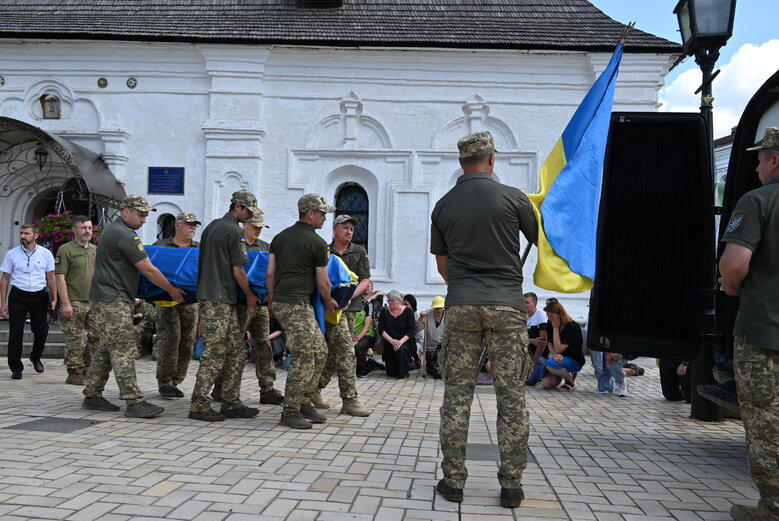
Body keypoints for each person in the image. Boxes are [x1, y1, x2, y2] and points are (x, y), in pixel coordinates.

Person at [430, 131, 537, 508]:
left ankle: (454, 482)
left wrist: (464, 286)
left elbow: (443, 265)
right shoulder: (514, 198)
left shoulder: (443, 206)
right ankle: (511, 486)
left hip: (461, 306)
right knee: (511, 395)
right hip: (508, 306)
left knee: (457, 395)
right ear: (492, 159)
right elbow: (545, 240)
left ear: (462, 162)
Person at [718, 127, 779, 521]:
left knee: (766, 423)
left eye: (760, 158)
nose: (756, 166)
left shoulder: (758, 201)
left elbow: (735, 263)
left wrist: (732, 286)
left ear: (775, 159)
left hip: (764, 334)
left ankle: (772, 508)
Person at [82, 195, 185, 418]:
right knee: (123, 348)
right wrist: (172, 290)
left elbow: (96, 261)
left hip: (107, 296)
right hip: (113, 300)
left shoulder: (111, 231)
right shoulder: (125, 235)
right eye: (140, 215)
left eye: (146, 215)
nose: (144, 219)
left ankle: (92, 394)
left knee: (108, 347)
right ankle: (133, 400)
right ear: (125, 211)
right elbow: (147, 268)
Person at [188, 190, 262, 422]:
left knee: (237, 350)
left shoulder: (212, 226)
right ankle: (199, 405)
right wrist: (250, 294)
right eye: (248, 211)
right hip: (218, 299)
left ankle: (231, 402)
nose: (250, 216)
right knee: (215, 352)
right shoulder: (233, 230)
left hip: (217, 297)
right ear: (238, 206)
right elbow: (238, 270)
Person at [267, 193, 338, 429]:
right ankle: (290, 411)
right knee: (305, 356)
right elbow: (323, 282)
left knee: (320, 350)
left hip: (286, 302)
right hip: (295, 304)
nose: (325, 218)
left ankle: (304, 401)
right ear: (309, 213)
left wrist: (272, 301)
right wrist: (328, 301)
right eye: (322, 213)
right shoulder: (317, 243)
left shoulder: (280, 238)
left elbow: (270, 274)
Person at [312, 214, 371, 416]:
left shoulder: (359, 252)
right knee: (346, 352)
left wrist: (348, 297)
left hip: (351, 308)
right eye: (345, 227)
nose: (349, 231)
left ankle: (314, 389)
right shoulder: (325, 252)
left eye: (352, 229)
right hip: (330, 310)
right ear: (335, 229)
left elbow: (365, 281)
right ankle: (350, 400)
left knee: (336, 354)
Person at [238, 212, 285, 406]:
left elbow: (272, 273)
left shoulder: (266, 247)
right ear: (245, 225)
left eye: (260, 228)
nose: (258, 231)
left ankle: (267, 388)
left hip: (260, 305)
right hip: (238, 304)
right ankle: (221, 387)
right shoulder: (235, 244)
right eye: (255, 226)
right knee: (234, 346)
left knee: (264, 345)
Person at [153, 211, 200, 399]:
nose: (192, 228)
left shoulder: (199, 248)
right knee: (169, 340)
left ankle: (176, 380)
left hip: (190, 302)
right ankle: (164, 382)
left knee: (187, 342)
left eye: (195, 225)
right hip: (167, 301)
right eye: (189, 224)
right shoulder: (161, 246)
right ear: (177, 225)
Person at [0, 224, 56, 379]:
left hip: (39, 296)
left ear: (35, 236)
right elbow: (5, 279)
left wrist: (54, 298)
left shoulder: (46, 254)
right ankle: (16, 367)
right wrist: (3, 303)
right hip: (18, 295)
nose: (22, 236)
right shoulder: (12, 254)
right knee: (16, 332)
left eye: (26, 233)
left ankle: (36, 356)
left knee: (42, 330)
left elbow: (51, 277)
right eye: (21, 233)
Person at [55, 215, 98, 385]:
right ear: (74, 230)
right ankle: (74, 372)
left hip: (94, 301)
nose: (87, 231)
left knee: (98, 336)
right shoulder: (66, 249)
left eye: (89, 227)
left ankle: (89, 368)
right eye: (83, 228)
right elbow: (59, 277)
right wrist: (65, 303)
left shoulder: (95, 249)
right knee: (76, 339)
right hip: (74, 301)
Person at [541, 300, 584, 391]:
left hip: (574, 359)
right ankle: (562, 373)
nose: (549, 319)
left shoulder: (572, 327)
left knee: (549, 363)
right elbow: (550, 344)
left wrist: (556, 328)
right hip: (558, 359)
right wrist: (555, 354)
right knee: (547, 384)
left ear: (559, 315)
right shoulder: (550, 323)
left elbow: (559, 349)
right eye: (548, 316)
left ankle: (569, 381)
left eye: (551, 316)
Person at [377, 290, 416, 379]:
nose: (390, 303)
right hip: (389, 341)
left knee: (401, 349)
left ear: (399, 301)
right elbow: (381, 329)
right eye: (389, 300)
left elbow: (411, 330)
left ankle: (404, 372)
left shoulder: (408, 312)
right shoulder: (385, 311)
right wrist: (392, 341)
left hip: (404, 341)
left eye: (393, 301)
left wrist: (400, 342)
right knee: (391, 373)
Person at [418, 295, 446, 379]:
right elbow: (418, 328)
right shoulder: (427, 314)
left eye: (441, 308)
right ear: (433, 308)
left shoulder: (448, 315)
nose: (439, 310)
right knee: (431, 371)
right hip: (429, 349)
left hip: (442, 348)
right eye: (436, 308)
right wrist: (421, 317)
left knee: (438, 372)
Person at [524, 292, 548, 386]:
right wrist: (532, 341)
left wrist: (533, 361)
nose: (524, 305)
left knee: (530, 382)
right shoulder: (521, 316)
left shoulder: (541, 315)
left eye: (526, 302)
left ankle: (544, 371)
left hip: (537, 355)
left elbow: (542, 342)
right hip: (523, 354)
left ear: (535, 304)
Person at [403, 293, 423, 369]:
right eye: (403, 304)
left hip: (415, 342)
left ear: (412, 305)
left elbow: (419, 336)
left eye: (406, 304)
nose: (404, 306)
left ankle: (415, 359)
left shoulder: (416, 318)